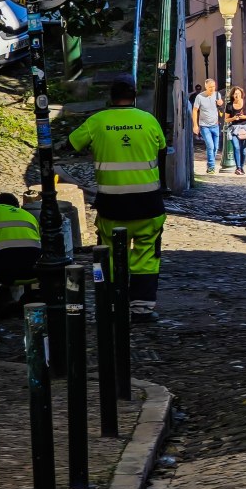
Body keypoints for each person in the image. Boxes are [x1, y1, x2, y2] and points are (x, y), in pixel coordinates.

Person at [69, 74, 166, 322]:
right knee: (146, 255)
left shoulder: (97, 121)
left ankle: (112, 305)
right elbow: (162, 148)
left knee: (109, 256)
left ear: (110, 96)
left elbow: (70, 145)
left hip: (112, 206)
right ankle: (141, 308)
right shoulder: (149, 120)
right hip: (148, 205)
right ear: (134, 95)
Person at [192, 78, 223, 174]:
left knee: (215, 147)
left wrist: (221, 104)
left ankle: (210, 165)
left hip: (215, 125)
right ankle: (211, 167)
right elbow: (195, 110)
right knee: (210, 146)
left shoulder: (217, 95)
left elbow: (220, 109)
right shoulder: (199, 97)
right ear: (206, 87)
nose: (212, 89)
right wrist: (195, 125)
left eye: (213, 86)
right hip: (204, 126)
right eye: (210, 87)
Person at [225, 86, 246, 175]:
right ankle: (238, 168)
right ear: (232, 95)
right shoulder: (229, 105)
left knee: (243, 150)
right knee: (236, 147)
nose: (237, 95)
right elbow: (226, 119)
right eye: (235, 94)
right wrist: (234, 118)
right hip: (234, 129)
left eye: (238, 93)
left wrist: (244, 117)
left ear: (241, 94)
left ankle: (241, 167)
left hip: (244, 128)